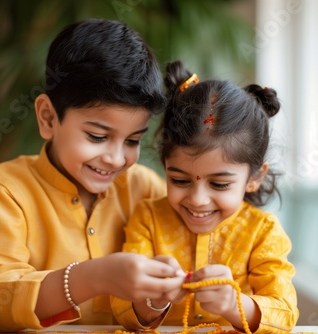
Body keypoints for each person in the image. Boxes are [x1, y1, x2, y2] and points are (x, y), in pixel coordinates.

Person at [0, 19, 186, 332]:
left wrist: (159, 297)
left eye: (132, 141)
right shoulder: (8, 186)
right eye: (97, 136)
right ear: (48, 117)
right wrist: (92, 277)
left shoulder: (148, 189)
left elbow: (162, 308)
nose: (115, 159)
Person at [111, 60, 299, 333]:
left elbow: (284, 314)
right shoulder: (147, 219)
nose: (198, 199)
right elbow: (121, 308)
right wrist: (153, 299)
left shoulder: (263, 233)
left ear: (254, 178)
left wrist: (234, 305)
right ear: (165, 168)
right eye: (179, 180)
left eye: (220, 184)